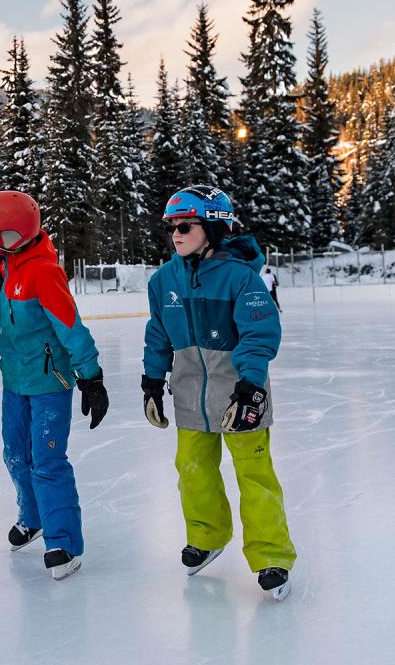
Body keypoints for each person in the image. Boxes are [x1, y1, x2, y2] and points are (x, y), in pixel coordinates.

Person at [0, 191, 109, 580]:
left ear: (10, 233)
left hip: (50, 384)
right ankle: (33, 517)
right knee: (15, 454)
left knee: (47, 461)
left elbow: (72, 328)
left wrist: (91, 378)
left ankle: (64, 543)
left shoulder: (43, 273)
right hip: (14, 382)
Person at [141, 185, 295, 600]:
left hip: (239, 394)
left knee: (255, 475)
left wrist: (250, 387)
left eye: (185, 226)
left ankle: (272, 556)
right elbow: (158, 333)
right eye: (171, 226)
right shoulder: (164, 280)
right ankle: (207, 536)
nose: (175, 234)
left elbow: (260, 334)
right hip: (190, 394)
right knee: (192, 470)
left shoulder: (240, 278)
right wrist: (152, 382)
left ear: (213, 227)